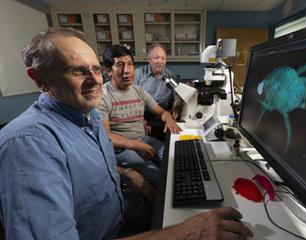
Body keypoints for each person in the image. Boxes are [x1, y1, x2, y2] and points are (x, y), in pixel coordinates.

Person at [0, 27, 253, 240]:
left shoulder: (87, 116)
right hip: (106, 231)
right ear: (39, 78)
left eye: (95, 69)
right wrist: (186, 233)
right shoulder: (28, 144)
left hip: (122, 207)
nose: (94, 80)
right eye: (77, 71)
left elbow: (82, 172)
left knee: (193, 199)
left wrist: (127, 174)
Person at [97, 44, 181, 188]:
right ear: (108, 71)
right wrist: (135, 145)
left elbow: (161, 112)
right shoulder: (102, 96)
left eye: (130, 64)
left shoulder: (138, 91)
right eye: (120, 65)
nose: (127, 70)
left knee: (176, 160)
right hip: (122, 149)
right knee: (160, 177)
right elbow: (106, 136)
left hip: (143, 139)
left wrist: (170, 120)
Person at [134, 43, 183, 141]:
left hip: (164, 118)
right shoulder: (138, 74)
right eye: (156, 58)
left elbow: (178, 97)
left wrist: (177, 108)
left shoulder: (171, 77)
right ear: (149, 59)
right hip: (142, 117)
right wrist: (140, 121)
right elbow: (132, 100)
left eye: (163, 58)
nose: (160, 62)